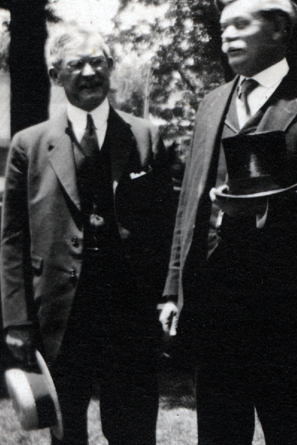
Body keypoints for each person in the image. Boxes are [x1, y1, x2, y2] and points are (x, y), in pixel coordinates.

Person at [158, 0, 297, 445]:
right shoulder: (211, 103)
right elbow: (188, 206)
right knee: (219, 433)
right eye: (223, 27)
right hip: (215, 305)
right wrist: (172, 290)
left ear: (279, 30)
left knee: (290, 431)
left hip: (284, 307)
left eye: (241, 25)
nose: (226, 35)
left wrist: (274, 201)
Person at [1, 27, 173, 445]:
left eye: (98, 61)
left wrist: (168, 295)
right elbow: (12, 239)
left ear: (111, 69)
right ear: (55, 74)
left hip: (129, 309)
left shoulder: (145, 135)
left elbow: (168, 228)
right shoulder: (30, 143)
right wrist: (17, 320)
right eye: (76, 64)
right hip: (59, 311)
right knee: (65, 428)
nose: (89, 71)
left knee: (133, 430)